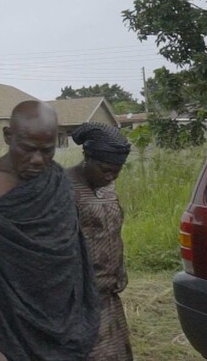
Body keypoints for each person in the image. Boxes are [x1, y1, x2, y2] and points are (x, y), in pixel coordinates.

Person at [0, 101, 100, 360]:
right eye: (28, 149)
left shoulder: (58, 182)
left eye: (47, 151)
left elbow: (71, 263)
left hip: (58, 331)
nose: (38, 160)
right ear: (8, 136)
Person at [66, 123, 134, 360]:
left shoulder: (108, 188)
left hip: (107, 293)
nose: (111, 176)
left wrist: (119, 271)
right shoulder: (64, 187)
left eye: (117, 171)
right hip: (77, 297)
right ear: (87, 157)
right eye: (105, 169)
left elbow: (113, 231)